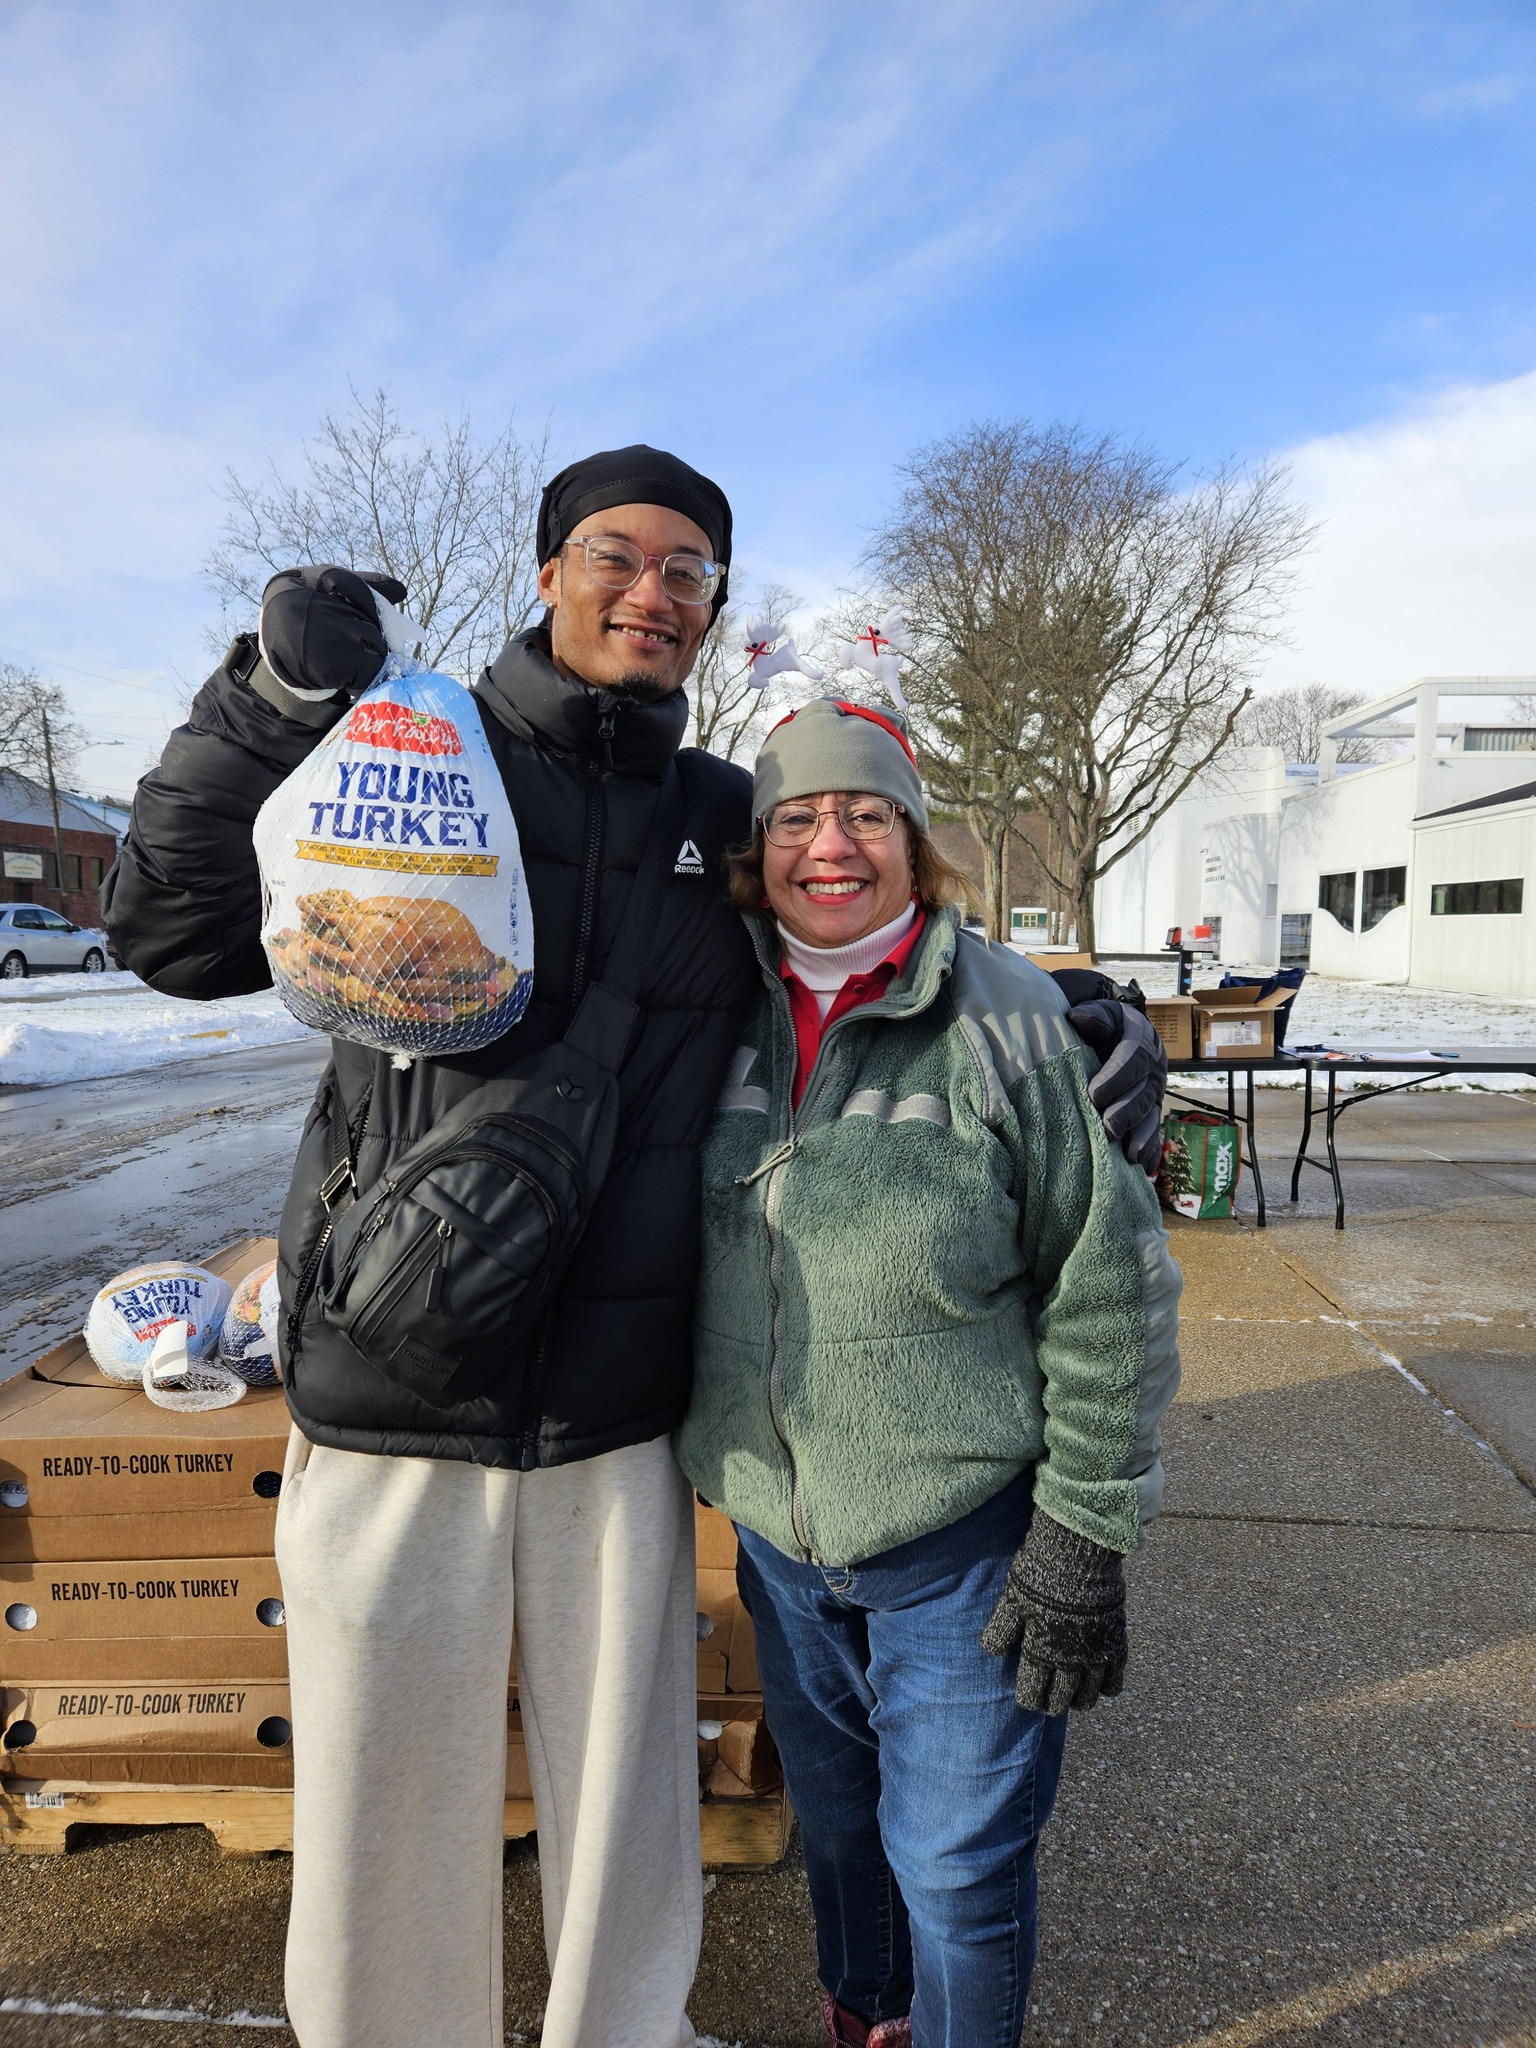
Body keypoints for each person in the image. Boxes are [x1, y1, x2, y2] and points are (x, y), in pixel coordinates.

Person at [105, 445, 1162, 2048]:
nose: (650, 592)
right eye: (615, 555)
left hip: (616, 1417)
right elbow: (174, 935)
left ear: (712, 606)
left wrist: (1075, 1008)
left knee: (624, 1825)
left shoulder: (723, 817)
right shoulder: (416, 753)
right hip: (397, 1384)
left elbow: (877, 938)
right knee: (386, 1822)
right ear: (549, 574)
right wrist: (265, 702)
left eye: (688, 570)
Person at [676, 697, 1183, 2048]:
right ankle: (871, 2018)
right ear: (758, 852)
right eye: (798, 817)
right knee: (841, 1827)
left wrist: (1085, 1534)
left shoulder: (1008, 1021)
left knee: (955, 1862)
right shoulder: (708, 1008)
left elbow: (1110, 1290)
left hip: (963, 1547)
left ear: (915, 842)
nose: (831, 844)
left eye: (866, 813)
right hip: (780, 1541)